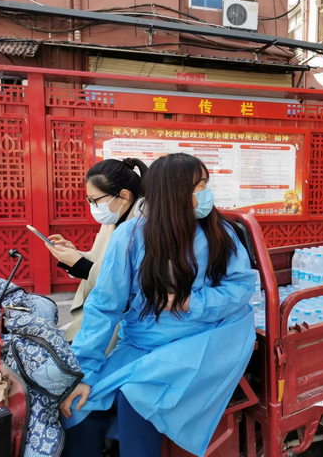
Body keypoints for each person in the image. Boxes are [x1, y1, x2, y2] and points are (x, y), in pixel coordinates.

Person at [60, 153, 255, 457]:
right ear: (174, 192)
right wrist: (85, 372)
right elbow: (104, 306)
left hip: (205, 338)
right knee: (81, 408)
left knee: (137, 398)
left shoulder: (220, 234)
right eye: (199, 185)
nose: (206, 192)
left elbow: (241, 288)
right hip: (145, 341)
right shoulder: (130, 236)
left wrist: (191, 302)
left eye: (205, 184)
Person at [46, 158, 147, 349]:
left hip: (121, 322)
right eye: (89, 200)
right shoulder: (111, 220)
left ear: (124, 196)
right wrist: (73, 255)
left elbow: (133, 285)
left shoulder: (144, 227)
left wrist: (82, 266)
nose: (92, 206)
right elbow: (99, 259)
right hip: (98, 311)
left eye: (95, 200)